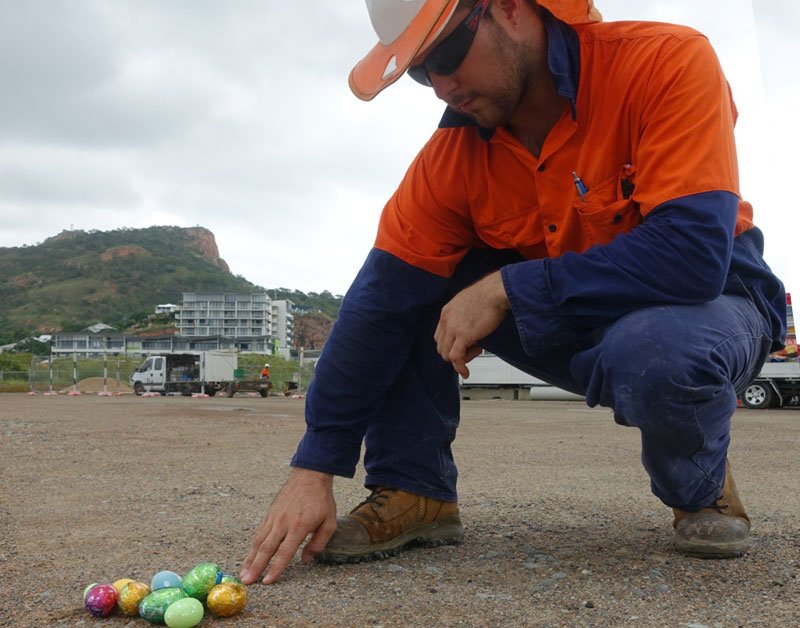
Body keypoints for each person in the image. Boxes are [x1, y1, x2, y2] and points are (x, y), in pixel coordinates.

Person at [240, 0, 786, 585]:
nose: (442, 87)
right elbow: (377, 305)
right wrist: (314, 466)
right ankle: (414, 488)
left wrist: (508, 286)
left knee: (657, 351)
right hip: (572, 319)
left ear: (508, 8)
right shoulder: (451, 160)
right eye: (422, 72)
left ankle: (701, 490)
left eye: (448, 53)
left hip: (712, 303)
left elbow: (691, 256)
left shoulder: (664, 62)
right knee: (412, 283)